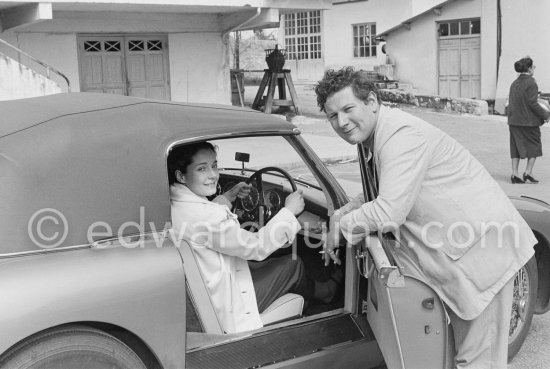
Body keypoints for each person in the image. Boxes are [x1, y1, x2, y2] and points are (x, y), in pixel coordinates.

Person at [315, 67, 537, 368]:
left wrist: (342, 226)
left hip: (484, 256)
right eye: (332, 116)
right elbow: (378, 192)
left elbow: (389, 210)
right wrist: (340, 214)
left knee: (477, 360)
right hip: (455, 253)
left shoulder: (400, 136)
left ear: (372, 101)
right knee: (450, 354)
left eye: (348, 109)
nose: (341, 122)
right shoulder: (373, 136)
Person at [168, 142, 340, 334]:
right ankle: (325, 293)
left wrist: (227, 197)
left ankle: (306, 300)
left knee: (269, 266)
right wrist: (289, 212)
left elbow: (206, 220)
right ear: (180, 176)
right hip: (225, 304)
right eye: (202, 169)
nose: (213, 175)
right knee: (294, 264)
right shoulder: (207, 216)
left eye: (214, 165)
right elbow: (256, 247)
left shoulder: (174, 204)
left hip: (205, 290)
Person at [507, 56, 549, 184]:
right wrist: (545, 115)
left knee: (515, 147)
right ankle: (528, 172)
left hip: (514, 121)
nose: (534, 68)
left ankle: (514, 174)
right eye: (533, 66)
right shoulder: (531, 83)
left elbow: (511, 103)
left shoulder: (514, 83)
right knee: (534, 146)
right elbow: (533, 104)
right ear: (530, 68)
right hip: (528, 123)